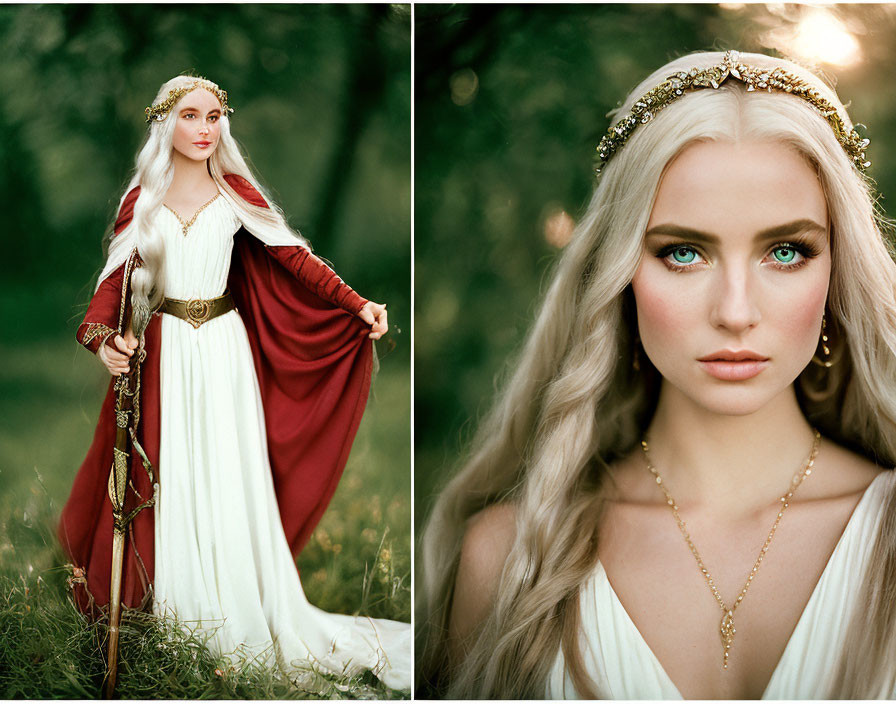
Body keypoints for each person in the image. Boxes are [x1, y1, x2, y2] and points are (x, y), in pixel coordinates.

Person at [418, 50, 896, 699]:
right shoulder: (508, 562)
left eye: (786, 251)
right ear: (619, 275)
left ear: (838, 271)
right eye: (683, 252)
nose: (735, 312)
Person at [59, 74, 410, 692]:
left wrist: (356, 304)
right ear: (166, 122)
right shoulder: (143, 199)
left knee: (222, 473)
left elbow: (294, 257)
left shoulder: (233, 193)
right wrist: (104, 342)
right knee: (170, 478)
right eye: (191, 116)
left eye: (215, 116)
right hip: (165, 356)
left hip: (224, 351)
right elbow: (109, 291)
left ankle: (236, 608)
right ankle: (176, 610)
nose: (205, 128)